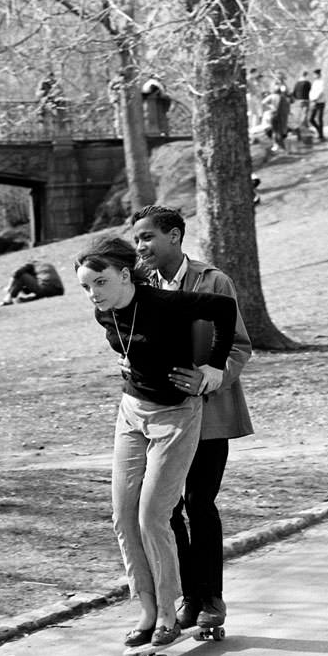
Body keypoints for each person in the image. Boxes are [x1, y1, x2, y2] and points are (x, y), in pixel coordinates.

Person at [74, 236, 237, 648]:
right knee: (123, 516)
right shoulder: (105, 315)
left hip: (176, 416)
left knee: (152, 517)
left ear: (125, 275)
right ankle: (146, 608)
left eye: (100, 282)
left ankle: (169, 611)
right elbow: (131, 345)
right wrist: (128, 364)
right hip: (131, 413)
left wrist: (213, 366)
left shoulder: (166, 303)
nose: (93, 294)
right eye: (86, 287)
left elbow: (224, 309)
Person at [130, 205, 253, 632]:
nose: (140, 246)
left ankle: (211, 600)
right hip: (162, 416)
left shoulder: (213, 281)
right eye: (137, 239)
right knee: (169, 507)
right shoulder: (140, 287)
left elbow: (238, 345)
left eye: (147, 237)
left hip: (210, 414)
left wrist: (211, 374)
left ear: (175, 236)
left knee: (200, 504)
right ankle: (188, 598)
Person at [0, 261, 64, 306]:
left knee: (22, 276)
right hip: (59, 291)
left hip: (45, 289)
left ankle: (7, 300)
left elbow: (16, 273)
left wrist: (9, 287)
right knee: (43, 289)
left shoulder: (31, 264)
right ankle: (24, 300)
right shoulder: (45, 266)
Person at [308, 68, 325, 141]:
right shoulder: (314, 82)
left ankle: (321, 135)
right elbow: (311, 92)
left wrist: (315, 99)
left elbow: (320, 92)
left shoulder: (322, 82)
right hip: (314, 102)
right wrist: (311, 99)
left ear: (318, 75)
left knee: (319, 119)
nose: (314, 76)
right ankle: (319, 131)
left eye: (315, 74)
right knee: (311, 119)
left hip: (320, 102)